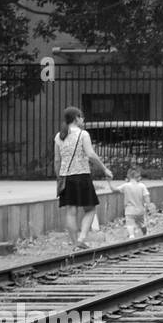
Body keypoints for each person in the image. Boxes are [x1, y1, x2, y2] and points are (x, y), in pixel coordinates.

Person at [53, 107, 113, 252]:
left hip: (65, 177)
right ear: (76, 118)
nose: (83, 120)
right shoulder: (83, 134)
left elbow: (56, 160)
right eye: (82, 117)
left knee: (70, 211)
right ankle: (81, 239)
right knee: (91, 208)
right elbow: (91, 154)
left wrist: (59, 177)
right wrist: (104, 169)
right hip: (81, 176)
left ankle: (75, 244)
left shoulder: (59, 136)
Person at [118, 167, 156, 239]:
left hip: (129, 210)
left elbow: (114, 190)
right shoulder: (142, 186)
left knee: (130, 224)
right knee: (142, 223)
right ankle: (145, 234)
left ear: (129, 176)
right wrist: (148, 206)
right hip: (140, 210)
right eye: (139, 176)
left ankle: (131, 236)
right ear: (137, 177)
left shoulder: (125, 186)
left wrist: (109, 182)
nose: (140, 178)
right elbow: (146, 197)